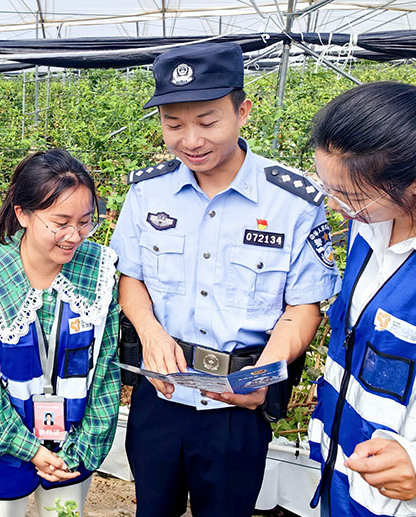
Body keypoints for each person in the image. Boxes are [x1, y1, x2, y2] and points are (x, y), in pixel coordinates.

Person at [109, 42, 341, 517]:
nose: (190, 139)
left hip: (239, 405)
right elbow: (130, 276)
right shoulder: (147, 192)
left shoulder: (292, 202)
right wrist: (151, 335)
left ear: (243, 112)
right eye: (173, 124)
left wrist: (264, 374)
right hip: (161, 395)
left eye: (207, 122)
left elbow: (303, 307)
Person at [0, 149, 120, 516]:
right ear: (23, 214)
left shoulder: (100, 271)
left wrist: (84, 445)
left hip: (74, 443)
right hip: (0, 445)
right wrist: (32, 450)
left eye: (86, 222)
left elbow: (106, 369)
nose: (74, 236)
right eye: (60, 222)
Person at [307, 81, 416, 516]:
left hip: (406, 495)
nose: (337, 206)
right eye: (329, 188)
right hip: (345, 467)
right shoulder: (370, 228)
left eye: (353, 197)